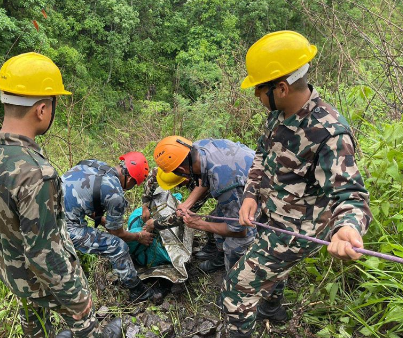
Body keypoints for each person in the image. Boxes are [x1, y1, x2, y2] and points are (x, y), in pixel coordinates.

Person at [219, 30, 373, 338]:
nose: (255, 96)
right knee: (271, 273)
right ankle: (272, 309)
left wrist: (349, 227)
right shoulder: (278, 115)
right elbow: (262, 155)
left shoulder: (328, 132)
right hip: (271, 215)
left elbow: (351, 194)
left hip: (297, 230)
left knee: (235, 290)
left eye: (259, 89)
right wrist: (251, 194)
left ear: (282, 87)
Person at [0, 52, 121, 338]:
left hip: (9, 268)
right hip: (44, 277)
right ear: (42, 109)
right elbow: (42, 252)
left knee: (34, 323)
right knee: (83, 323)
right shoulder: (37, 173)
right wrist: (79, 299)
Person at [61, 152, 162, 303]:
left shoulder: (93, 164)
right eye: (134, 184)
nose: (130, 188)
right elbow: (117, 233)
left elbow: (86, 201)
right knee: (117, 246)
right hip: (63, 227)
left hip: (46, 210)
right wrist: (139, 236)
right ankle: (138, 291)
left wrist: (107, 223)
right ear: (129, 178)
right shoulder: (115, 195)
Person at [153, 136, 257, 273]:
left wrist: (200, 225)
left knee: (234, 246)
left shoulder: (227, 185)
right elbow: (205, 176)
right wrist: (187, 204)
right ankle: (220, 258)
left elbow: (239, 230)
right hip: (242, 181)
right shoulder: (197, 148)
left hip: (260, 194)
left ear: (183, 171)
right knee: (214, 218)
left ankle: (235, 279)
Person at [141, 168, 215, 260]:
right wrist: (145, 204)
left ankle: (217, 250)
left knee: (214, 220)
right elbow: (153, 173)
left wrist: (154, 224)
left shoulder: (202, 184)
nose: (177, 187)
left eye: (179, 185)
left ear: (186, 178)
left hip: (231, 192)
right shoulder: (174, 166)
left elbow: (182, 216)